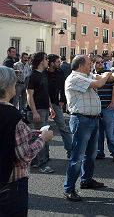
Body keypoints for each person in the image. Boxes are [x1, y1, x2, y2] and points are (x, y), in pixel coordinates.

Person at [63, 55, 114, 201]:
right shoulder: (75, 78)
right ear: (80, 65)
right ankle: (69, 188)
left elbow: (106, 78)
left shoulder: (87, 75)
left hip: (92, 119)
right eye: (88, 63)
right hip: (81, 120)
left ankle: (87, 180)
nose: (91, 64)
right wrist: (105, 75)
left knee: (90, 155)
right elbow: (99, 83)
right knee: (77, 156)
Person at [0, 66, 53, 217]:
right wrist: (43, 138)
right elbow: (25, 155)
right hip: (11, 183)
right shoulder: (12, 115)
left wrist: (28, 133)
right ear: (8, 86)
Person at [26, 52, 55, 174]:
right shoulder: (31, 76)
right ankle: (41, 163)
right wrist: (34, 112)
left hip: (43, 109)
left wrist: (50, 107)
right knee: (40, 137)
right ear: (40, 61)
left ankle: (40, 161)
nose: (48, 60)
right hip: (36, 110)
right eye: (46, 58)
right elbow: (29, 95)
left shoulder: (42, 75)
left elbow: (45, 93)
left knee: (42, 136)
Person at [92, 55, 114, 162]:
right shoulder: (91, 74)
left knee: (110, 132)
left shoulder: (108, 73)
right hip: (95, 108)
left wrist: (113, 102)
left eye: (101, 62)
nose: (100, 64)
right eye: (98, 62)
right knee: (98, 132)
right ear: (93, 63)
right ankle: (99, 152)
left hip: (108, 106)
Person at [45, 54, 72, 159]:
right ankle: (44, 155)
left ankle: (70, 150)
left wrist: (62, 100)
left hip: (56, 103)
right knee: (44, 130)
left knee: (63, 127)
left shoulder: (59, 72)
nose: (59, 63)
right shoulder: (43, 73)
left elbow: (63, 86)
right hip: (43, 104)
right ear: (51, 63)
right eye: (57, 62)